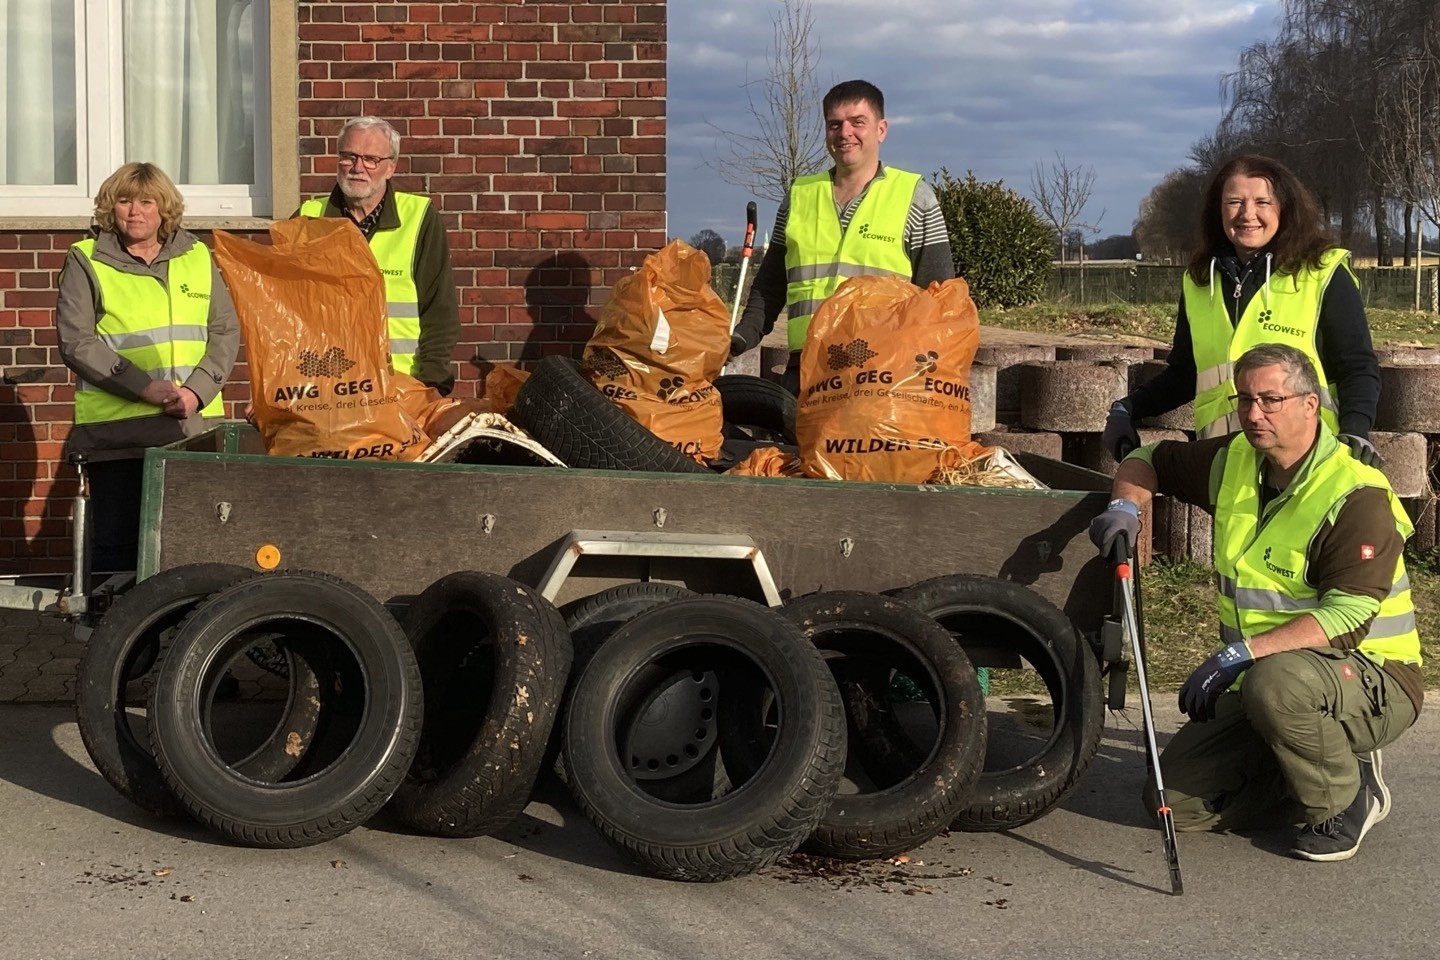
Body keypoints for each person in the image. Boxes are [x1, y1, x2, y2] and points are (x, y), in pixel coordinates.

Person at [1090, 343, 1421, 862]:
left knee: (1276, 685)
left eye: (1271, 399)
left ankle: (1348, 794)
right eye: (1245, 400)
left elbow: (1351, 615)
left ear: (1311, 405)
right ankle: (1299, 763)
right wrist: (1125, 508)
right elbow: (1148, 458)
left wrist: (1240, 654)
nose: (1253, 414)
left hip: (1373, 676)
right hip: (1272, 678)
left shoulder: (1355, 494)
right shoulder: (1235, 460)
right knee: (1171, 801)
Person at [1104, 155, 1381, 466]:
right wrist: (1128, 408)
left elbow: (1356, 366)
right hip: (1227, 467)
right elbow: (1185, 374)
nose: (1248, 214)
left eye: (1263, 202)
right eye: (1234, 202)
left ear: (1284, 208)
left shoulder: (1322, 273)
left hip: (1306, 463)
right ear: (1218, 211)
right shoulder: (1198, 284)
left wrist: (1356, 430)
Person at [56, 162, 239, 571]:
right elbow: (77, 342)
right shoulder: (86, 260)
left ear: (164, 208)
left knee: (192, 555)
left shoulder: (196, 257)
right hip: (117, 439)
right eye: (123, 201)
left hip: (191, 433)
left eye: (145, 201)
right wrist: (144, 388)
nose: (134, 211)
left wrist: (196, 392)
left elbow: (225, 330)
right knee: (117, 559)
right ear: (110, 207)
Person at [728, 80, 954, 393]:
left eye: (857, 122)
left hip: (883, 376)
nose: (844, 132)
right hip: (807, 370)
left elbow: (941, 298)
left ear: (881, 130)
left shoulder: (915, 198)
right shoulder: (798, 197)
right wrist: (742, 337)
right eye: (835, 124)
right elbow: (770, 286)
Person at [297, 116, 460, 395]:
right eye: (349, 156)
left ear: (390, 167)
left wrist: (432, 387)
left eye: (371, 159)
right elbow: (282, 313)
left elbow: (439, 312)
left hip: (400, 390)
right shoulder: (307, 220)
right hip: (327, 392)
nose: (358, 168)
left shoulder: (420, 218)